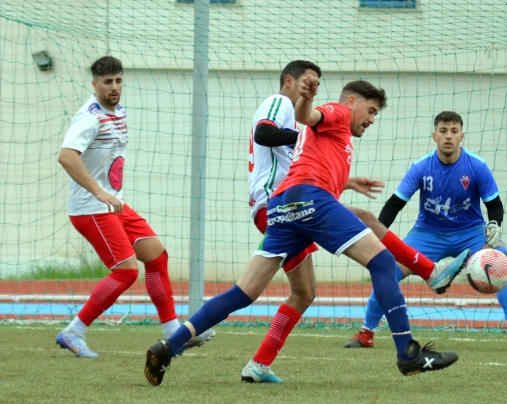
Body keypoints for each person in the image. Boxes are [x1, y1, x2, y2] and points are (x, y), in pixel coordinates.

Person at [144, 76, 461, 387]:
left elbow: (313, 158)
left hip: (283, 206)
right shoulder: (339, 112)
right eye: (372, 110)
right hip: (308, 200)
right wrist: (306, 99)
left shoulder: (337, 141)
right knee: (381, 263)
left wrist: (347, 181)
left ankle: (170, 346)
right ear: (352, 102)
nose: (373, 119)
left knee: (247, 292)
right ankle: (408, 351)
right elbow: (307, 116)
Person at [242, 61, 469, 383]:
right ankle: (420, 301)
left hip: (289, 202)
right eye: (309, 81)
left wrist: (344, 180)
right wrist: (308, 131)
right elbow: (267, 134)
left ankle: (244, 359)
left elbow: (304, 161)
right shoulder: (281, 102)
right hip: (284, 205)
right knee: (372, 262)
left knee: (303, 291)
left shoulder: (314, 122)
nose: (313, 87)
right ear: (290, 81)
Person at [343, 111, 507, 350]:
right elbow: (395, 204)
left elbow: (494, 204)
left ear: (462, 136)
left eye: (454, 131)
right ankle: (366, 332)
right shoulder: (420, 167)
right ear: (434, 136)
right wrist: (378, 237)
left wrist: (495, 225)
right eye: (443, 131)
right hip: (427, 233)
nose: (448, 136)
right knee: (387, 268)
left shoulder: (477, 166)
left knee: (504, 257)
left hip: (470, 232)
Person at [56, 56, 214, 358]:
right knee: (126, 272)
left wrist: (110, 196)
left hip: (115, 206)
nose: (114, 87)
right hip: (91, 208)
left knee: (156, 255)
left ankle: (174, 334)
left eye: (118, 81)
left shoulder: (119, 111)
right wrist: (101, 193)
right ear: (94, 84)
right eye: (107, 82)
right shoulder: (89, 117)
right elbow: (66, 156)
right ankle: (73, 332)